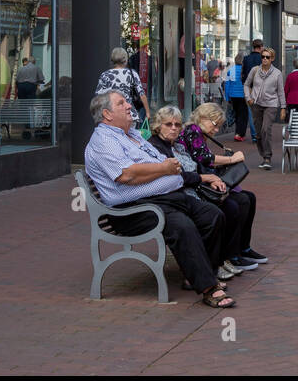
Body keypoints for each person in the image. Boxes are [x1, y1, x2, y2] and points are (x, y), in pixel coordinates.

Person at [82, 91, 234, 308]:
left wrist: (170, 171)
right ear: (107, 114)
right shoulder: (103, 140)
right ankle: (209, 288)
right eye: (121, 103)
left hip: (164, 198)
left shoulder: (131, 135)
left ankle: (200, 275)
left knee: (213, 215)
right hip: (132, 210)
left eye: (126, 101)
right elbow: (126, 175)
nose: (128, 105)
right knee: (183, 226)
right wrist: (163, 168)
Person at [160, 103, 266, 270]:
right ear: (203, 118)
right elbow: (205, 158)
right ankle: (232, 254)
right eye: (215, 124)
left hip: (200, 181)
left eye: (219, 126)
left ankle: (242, 249)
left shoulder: (197, 133)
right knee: (239, 202)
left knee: (248, 198)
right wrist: (232, 159)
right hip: (196, 185)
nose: (216, 130)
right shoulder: (193, 130)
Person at [244, 46, 286, 170]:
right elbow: (246, 84)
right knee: (258, 134)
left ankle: (267, 157)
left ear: (272, 59)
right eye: (263, 57)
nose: (265, 59)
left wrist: (283, 107)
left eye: (267, 57)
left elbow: (281, 91)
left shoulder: (277, 73)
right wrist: (248, 98)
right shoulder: (255, 70)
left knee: (265, 129)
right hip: (256, 104)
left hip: (271, 105)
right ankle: (263, 156)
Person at [95, 47, 150, 130]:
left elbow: (98, 96)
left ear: (112, 59)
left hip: (111, 114)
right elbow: (141, 94)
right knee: (130, 140)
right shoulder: (132, 73)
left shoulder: (105, 75)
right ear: (125, 59)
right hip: (129, 113)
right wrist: (148, 112)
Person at [240, 40, 265, 146]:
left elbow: (242, 75)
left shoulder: (246, 59)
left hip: (249, 89)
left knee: (251, 113)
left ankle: (255, 136)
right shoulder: (263, 59)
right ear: (260, 47)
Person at [223, 59, 248, 141]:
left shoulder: (230, 70)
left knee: (237, 114)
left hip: (233, 96)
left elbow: (227, 84)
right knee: (243, 115)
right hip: (242, 96)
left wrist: (227, 97)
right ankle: (240, 134)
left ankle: (237, 132)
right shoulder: (244, 70)